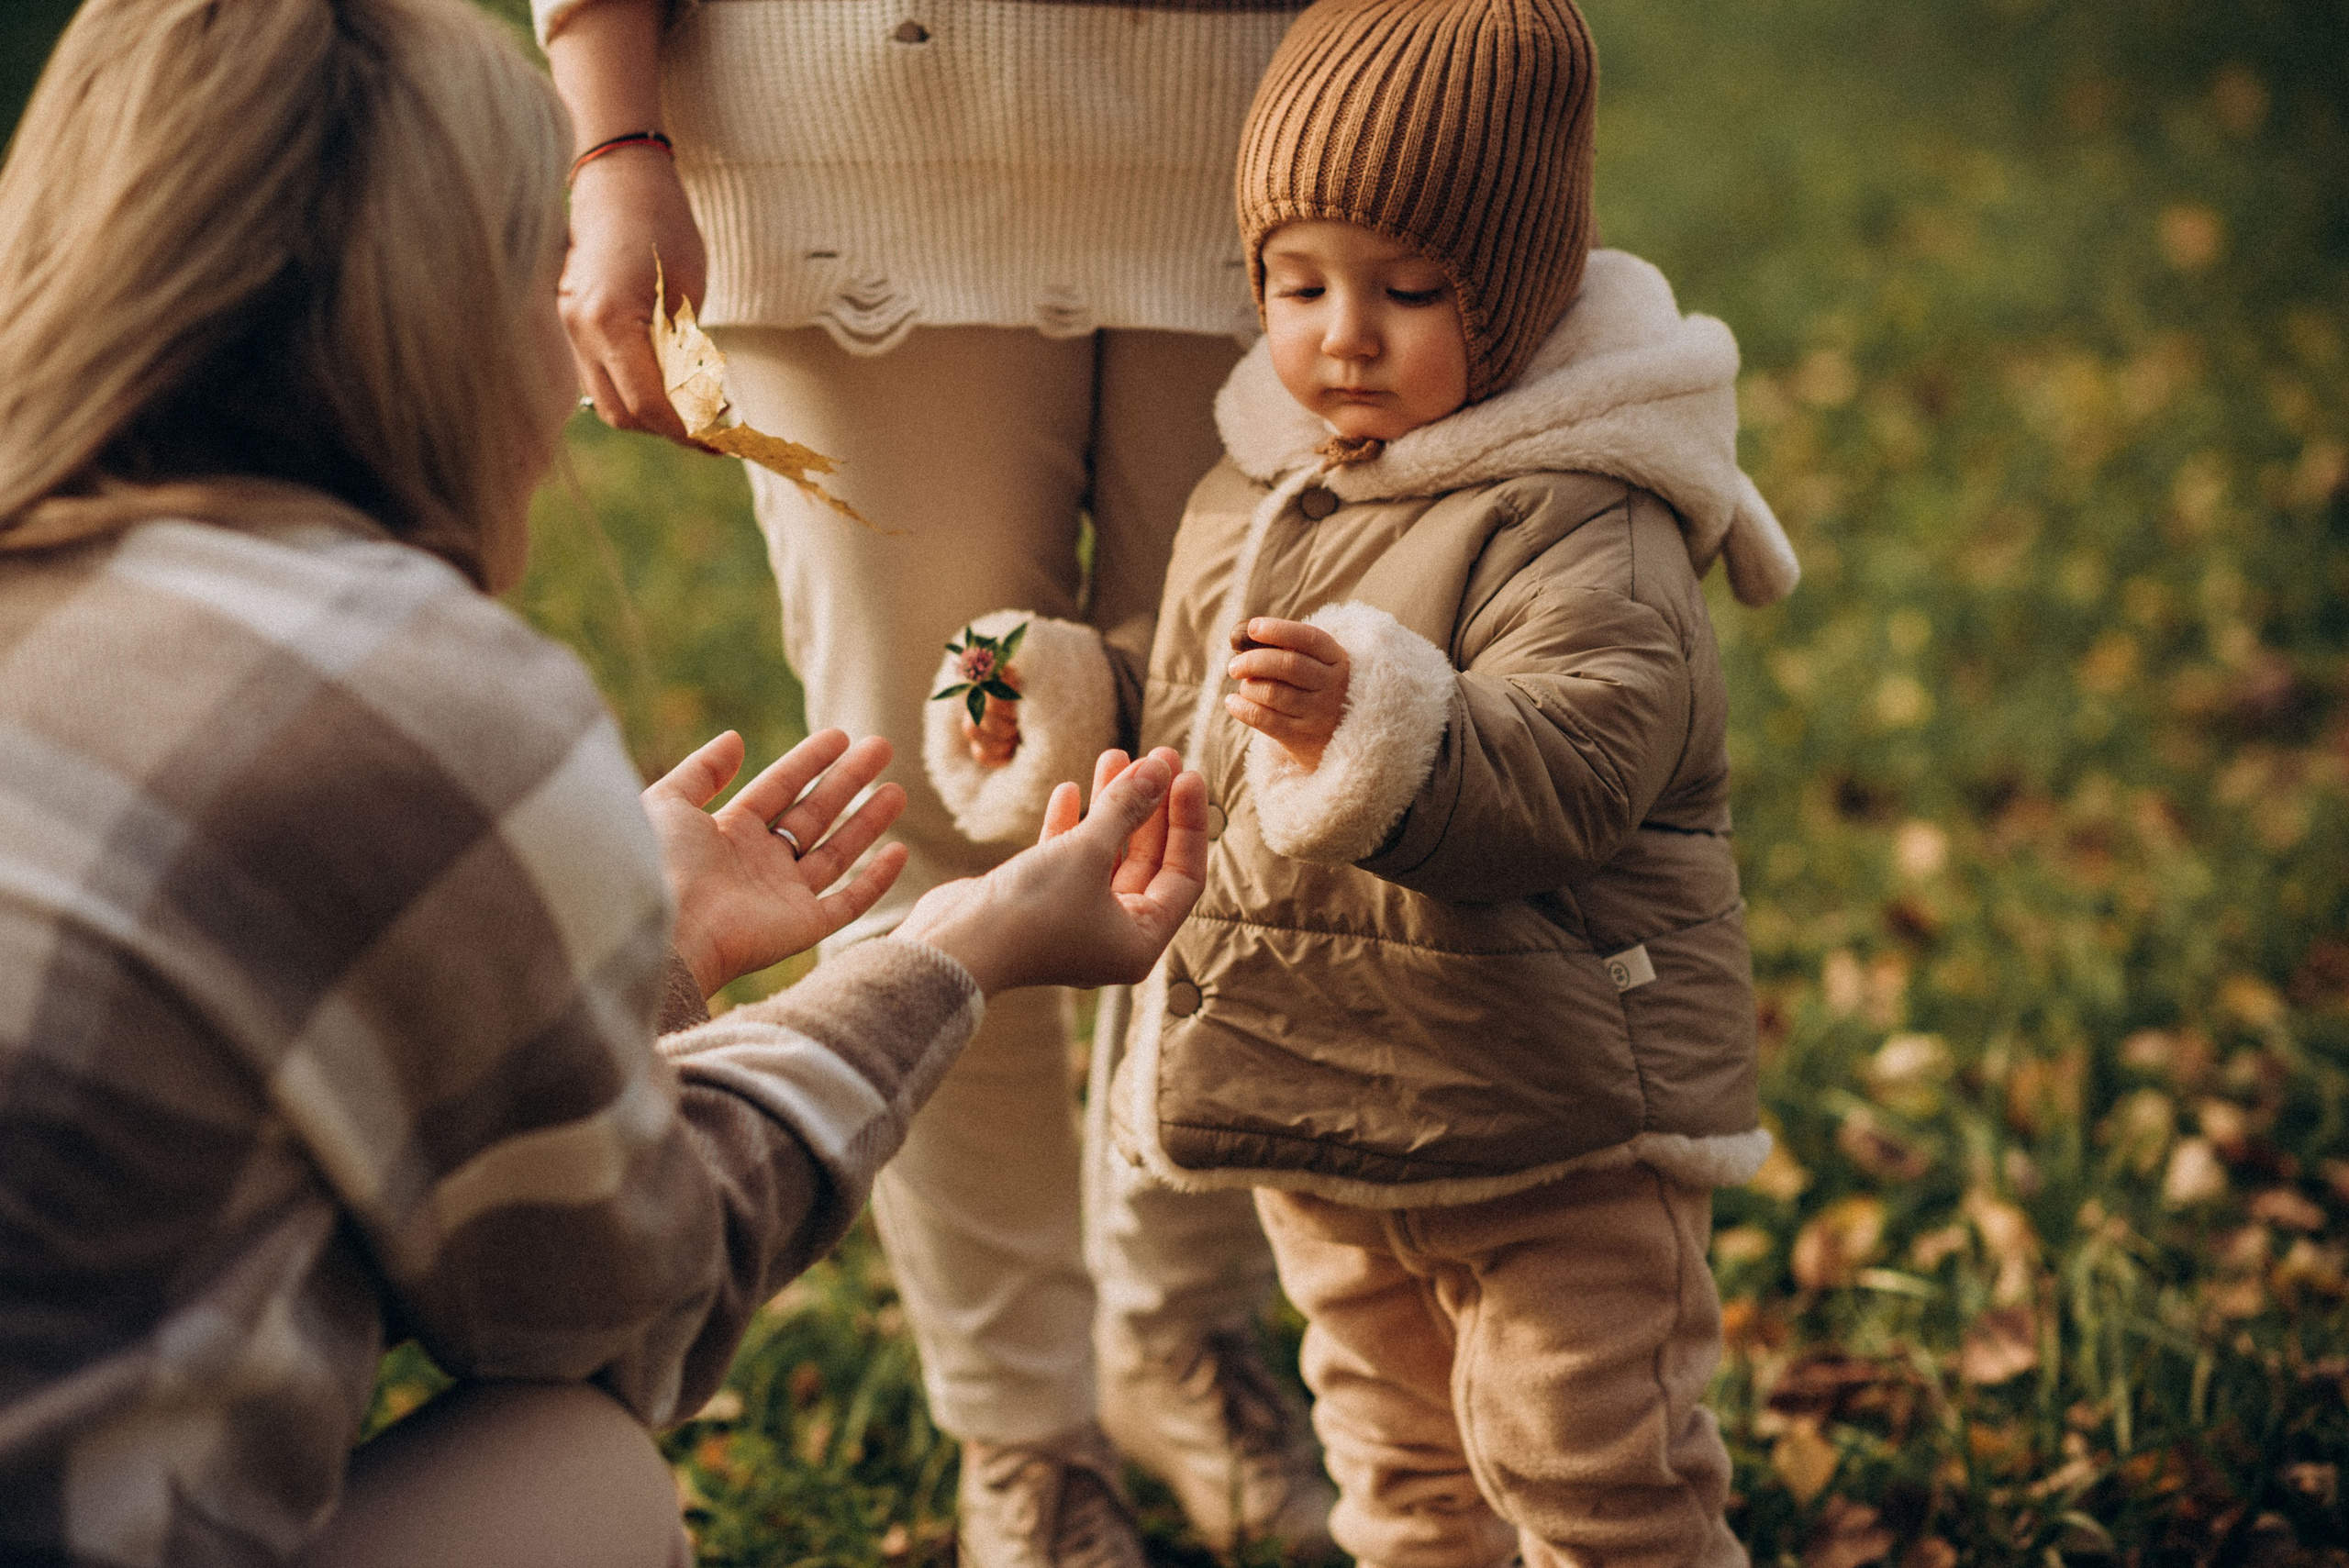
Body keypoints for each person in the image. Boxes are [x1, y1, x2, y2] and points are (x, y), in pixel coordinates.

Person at [0, 3, 1211, 1564]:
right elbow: (624, 1299)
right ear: (446, 310)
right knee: (580, 1474)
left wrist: (622, 952)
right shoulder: (422, 706)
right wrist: (950, 950)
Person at [933, 1, 1809, 1564]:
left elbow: (1583, 753)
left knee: (1597, 1476)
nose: (1343, 332)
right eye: (1297, 283)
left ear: (1523, 297)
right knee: (1402, 1476)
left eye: (1410, 289)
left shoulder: (1583, 510)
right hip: (1327, 1104)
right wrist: (1061, 701)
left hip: (1556, 1109)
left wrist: (1382, 719)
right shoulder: (1263, 480)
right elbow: (1197, 697)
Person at [537, 2, 1338, 1562]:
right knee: (909, 815)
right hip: (848, 156)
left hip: (1287, 140)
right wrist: (614, 129)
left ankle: (1180, 1331)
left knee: (1251, 782)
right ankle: (1026, 1429)